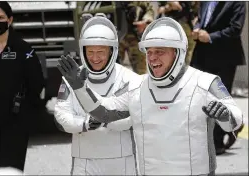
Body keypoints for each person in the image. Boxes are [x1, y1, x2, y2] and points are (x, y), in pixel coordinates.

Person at [57, 17, 243, 175]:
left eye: (160, 52)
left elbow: (235, 121)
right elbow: (104, 112)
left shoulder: (206, 83)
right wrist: (79, 87)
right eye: (150, 52)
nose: (152, 58)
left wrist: (225, 116)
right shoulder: (137, 86)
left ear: (177, 53)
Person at [55, 16, 138, 175]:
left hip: (122, 160)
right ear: (83, 50)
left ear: (112, 51)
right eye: (90, 52)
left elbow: (132, 118)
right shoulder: (70, 78)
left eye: (101, 52)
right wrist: (84, 123)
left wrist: (103, 120)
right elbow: (61, 115)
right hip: (85, 160)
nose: (95, 58)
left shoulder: (129, 78)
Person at [0, 1, 45, 172]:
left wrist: (26, 109)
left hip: (15, 122)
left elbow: (37, 83)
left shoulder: (24, 50)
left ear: (10, 20)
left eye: (0, 17)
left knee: (10, 170)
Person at [190, 1, 246, 155]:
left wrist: (210, 37)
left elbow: (235, 29)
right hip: (202, 54)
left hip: (224, 56)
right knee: (198, 95)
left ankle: (217, 142)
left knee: (219, 98)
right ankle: (232, 125)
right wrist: (196, 28)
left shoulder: (237, 3)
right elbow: (201, 19)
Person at [118, 2, 154, 74]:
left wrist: (145, 22)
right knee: (112, 70)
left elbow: (149, 10)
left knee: (140, 73)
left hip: (135, 38)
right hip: (116, 39)